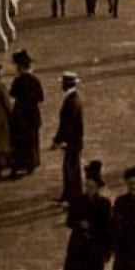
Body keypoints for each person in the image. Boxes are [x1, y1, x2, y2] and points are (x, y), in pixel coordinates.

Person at [61, 160, 114, 270]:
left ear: (97, 188)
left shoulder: (105, 204)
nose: (88, 189)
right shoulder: (78, 201)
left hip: (96, 244)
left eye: (91, 187)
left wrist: (107, 247)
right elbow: (69, 221)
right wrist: (79, 223)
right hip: (79, 244)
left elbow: (109, 226)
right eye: (87, 186)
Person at [8, 50, 45, 176]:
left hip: (20, 115)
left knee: (19, 141)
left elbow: (12, 94)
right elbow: (40, 97)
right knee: (32, 140)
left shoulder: (18, 81)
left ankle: (19, 164)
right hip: (32, 114)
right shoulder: (35, 81)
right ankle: (32, 163)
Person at [50, 72, 85, 204]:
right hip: (74, 140)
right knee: (70, 168)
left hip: (72, 141)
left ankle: (73, 197)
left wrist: (58, 140)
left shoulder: (71, 101)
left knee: (71, 169)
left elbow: (66, 124)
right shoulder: (73, 98)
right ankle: (68, 195)